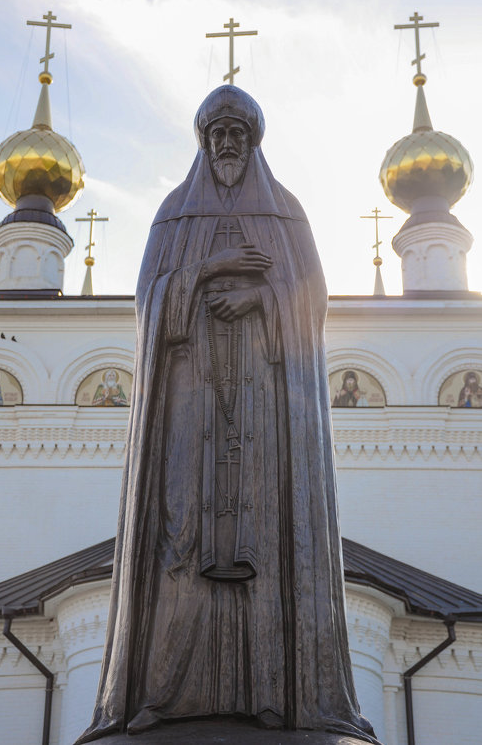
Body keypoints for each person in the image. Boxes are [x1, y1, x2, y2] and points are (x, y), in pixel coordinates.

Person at [76, 86, 377, 743]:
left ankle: (274, 693)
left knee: (264, 543)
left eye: (238, 131)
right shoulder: (171, 217)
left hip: (262, 410)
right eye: (216, 132)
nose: (227, 143)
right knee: (177, 540)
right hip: (187, 407)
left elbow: (309, 305)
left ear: (255, 139)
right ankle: (158, 694)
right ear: (202, 140)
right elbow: (148, 306)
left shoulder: (288, 216)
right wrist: (209, 269)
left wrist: (258, 300)